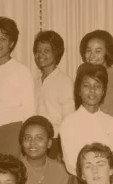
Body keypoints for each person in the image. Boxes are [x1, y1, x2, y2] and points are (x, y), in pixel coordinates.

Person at [59, 63, 113, 184]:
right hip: (81, 182)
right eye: (86, 86)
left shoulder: (111, 122)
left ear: (104, 91)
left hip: (109, 182)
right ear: (78, 90)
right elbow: (71, 162)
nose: (92, 90)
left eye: (97, 86)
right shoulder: (69, 123)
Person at [0, 16, 34, 160]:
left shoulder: (21, 71)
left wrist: (26, 142)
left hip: (13, 133)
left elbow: (29, 112)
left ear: (11, 43)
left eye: (3, 39)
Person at [33, 30, 74, 160]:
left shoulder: (65, 82)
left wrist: (62, 150)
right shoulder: (33, 83)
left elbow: (69, 121)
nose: (41, 54)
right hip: (35, 141)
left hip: (56, 142)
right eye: (38, 50)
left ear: (56, 53)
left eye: (46, 50)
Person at [80, 30, 113, 120]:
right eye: (88, 50)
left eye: (98, 51)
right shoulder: (83, 78)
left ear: (107, 52)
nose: (91, 56)